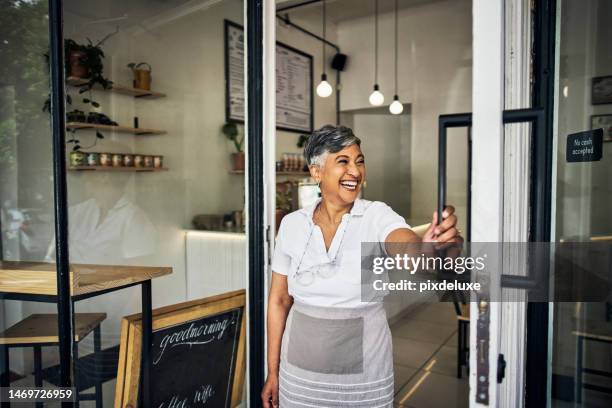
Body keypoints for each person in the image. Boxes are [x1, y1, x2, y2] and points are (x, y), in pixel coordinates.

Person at [262, 125, 462, 407]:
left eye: (360, 161)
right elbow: (279, 299)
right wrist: (273, 372)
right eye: (343, 161)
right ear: (316, 171)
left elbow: (407, 248)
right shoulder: (292, 225)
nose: (355, 172)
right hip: (298, 374)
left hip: (362, 380)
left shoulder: (376, 215)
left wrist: (429, 250)